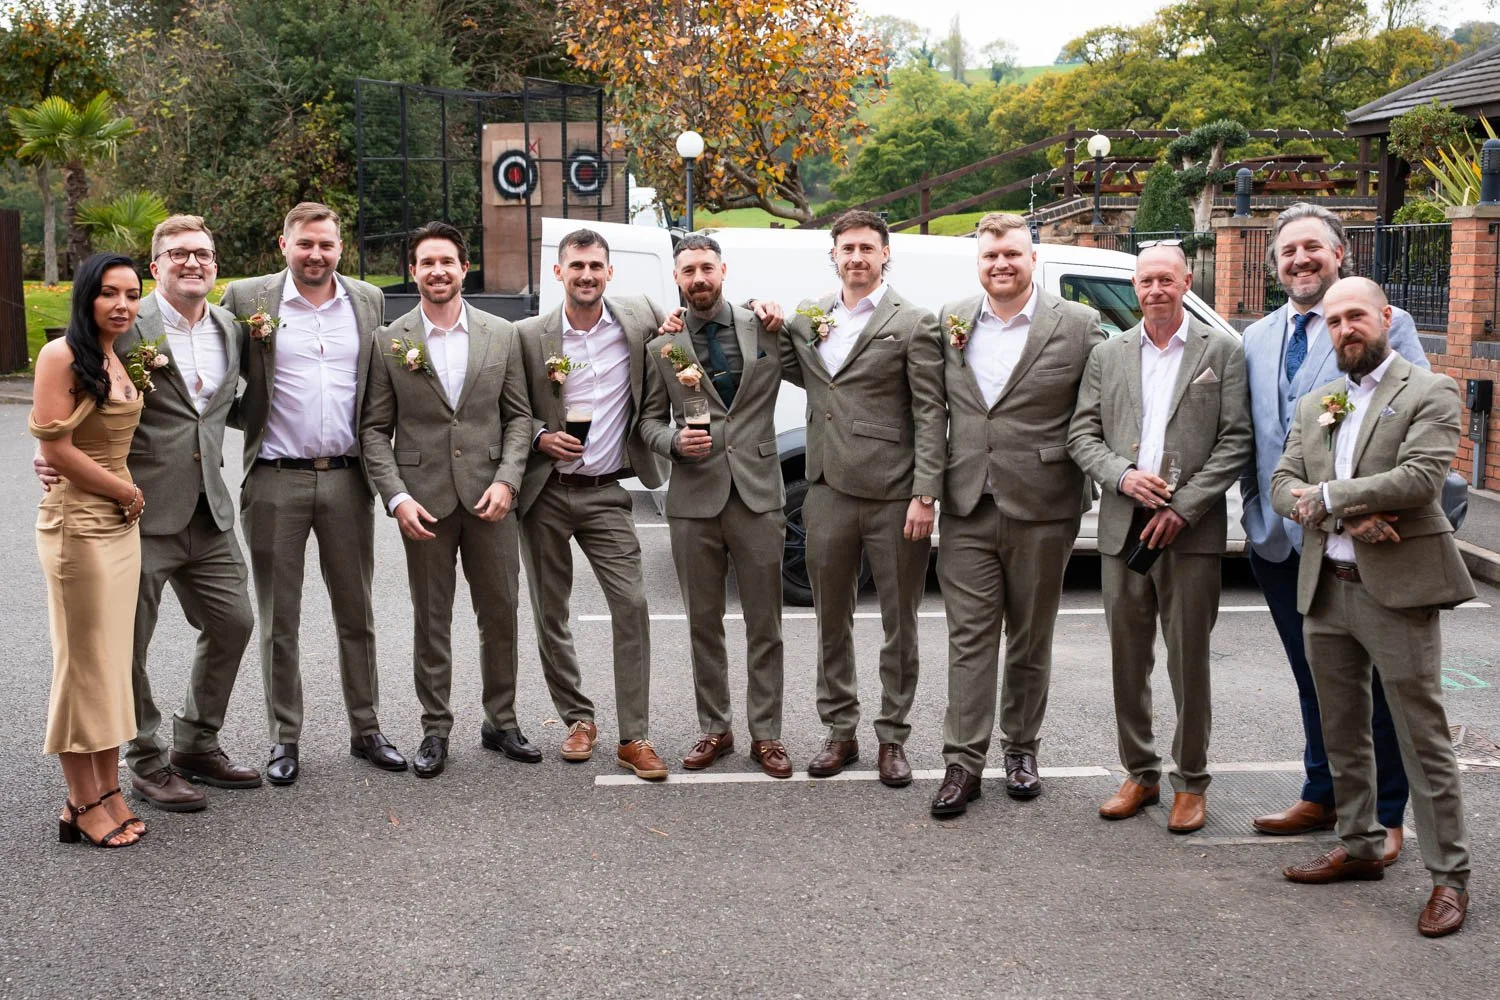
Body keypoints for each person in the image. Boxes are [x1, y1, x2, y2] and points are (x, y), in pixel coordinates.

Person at [1273, 276, 1475, 938]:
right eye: (1332, 322)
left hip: (1397, 593)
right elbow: (1281, 483)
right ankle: (1360, 846)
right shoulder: (1318, 400)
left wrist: (1329, 500)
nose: (1344, 330)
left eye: (1355, 316)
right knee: (1342, 731)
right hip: (1326, 587)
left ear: (1385, 317)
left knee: (1421, 738)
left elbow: (1420, 478)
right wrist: (1347, 515)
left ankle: (1450, 878)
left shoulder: (1429, 390)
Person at [1240, 202, 1428, 857]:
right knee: (1316, 678)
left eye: (1312, 248)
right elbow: (1256, 438)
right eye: (1288, 251)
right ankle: (1323, 794)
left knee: (1375, 685)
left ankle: (1387, 811)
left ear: (1339, 254)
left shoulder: (1383, 324)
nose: (1300, 260)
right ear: (1274, 265)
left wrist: (1357, 507)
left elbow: (1409, 421)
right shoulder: (1256, 338)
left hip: (1357, 541)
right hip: (1277, 541)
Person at [1068, 244, 1252, 833]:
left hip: (1189, 533)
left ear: (1186, 282)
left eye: (1166, 279)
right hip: (1125, 528)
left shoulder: (1220, 351)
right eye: (1146, 280)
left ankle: (1191, 782)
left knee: (1188, 660)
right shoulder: (1108, 353)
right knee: (1128, 658)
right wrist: (1121, 475)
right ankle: (1140, 772)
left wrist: (1188, 506)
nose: (1155, 290)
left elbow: (1237, 440)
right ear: (1135, 284)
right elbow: (1082, 434)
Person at [929, 212, 1105, 817]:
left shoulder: (1079, 325)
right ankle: (962, 762)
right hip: (968, 501)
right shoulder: (952, 320)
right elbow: (933, 412)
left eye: (1011, 254)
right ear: (978, 264)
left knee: (1030, 637)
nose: (1000, 265)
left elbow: (1104, 406)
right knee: (969, 637)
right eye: (989, 257)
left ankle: (1022, 749)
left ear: (1034, 259)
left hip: (1044, 502)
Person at [221, 202, 404, 783]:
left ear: (340, 247)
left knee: (358, 611)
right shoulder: (248, 300)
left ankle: (367, 728)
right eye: (305, 244)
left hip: (350, 479)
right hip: (276, 477)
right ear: (284, 245)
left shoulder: (368, 301)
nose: (316, 255)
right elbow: (214, 378)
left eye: (326, 244)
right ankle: (284, 737)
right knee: (281, 618)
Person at [359, 222, 532, 778]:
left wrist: (508, 480)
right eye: (426, 262)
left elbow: (520, 417)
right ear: (414, 270)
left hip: (491, 498)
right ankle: (435, 728)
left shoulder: (500, 335)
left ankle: (500, 721)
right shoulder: (390, 340)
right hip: (424, 504)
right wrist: (396, 497)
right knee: (431, 618)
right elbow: (373, 429)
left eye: (447, 261)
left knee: (500, 612)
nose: (437, 270)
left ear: (463, 268)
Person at [780, 209, 945, 788]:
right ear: (834, 254)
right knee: (832, 619)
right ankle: (840, 731)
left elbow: (930, 410)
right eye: (846, 248)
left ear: (884, 255)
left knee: (900, 622)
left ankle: (893, 736)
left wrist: (926, 493)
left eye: (866, 248)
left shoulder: (914, 321)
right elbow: (782, 360)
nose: (856, 257)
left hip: (894, 494)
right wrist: (765, 316)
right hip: (825, 490)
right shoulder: (809, 314)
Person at [513, 229, 668, 771]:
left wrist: (759, 307)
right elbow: (507, 407)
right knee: (550, 612)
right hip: (546, 493)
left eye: (596, 265)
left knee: (632, 606)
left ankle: (635, 736)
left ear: (609, 272)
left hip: (606, 492)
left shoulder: (639, 318)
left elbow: (691, 324)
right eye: (576, 265)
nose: (586, 274)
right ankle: (578, 718)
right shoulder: (529, 335)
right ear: (558, 273)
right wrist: (537, 436)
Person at [639, 234, 791, 779]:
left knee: (765, 623)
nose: (698, 278)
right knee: (703, 622)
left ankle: (767, 734)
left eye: (706, 268)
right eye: (688, 271)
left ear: (723, 270)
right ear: (677, 280)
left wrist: (781, 309)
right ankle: (715, 728)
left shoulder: (766, 327)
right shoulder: (663, 346)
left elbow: (825, 371)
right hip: (693, 499)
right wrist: (672, 443)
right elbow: (648, 422)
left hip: (757, 494)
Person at [30, 253, 148, 848]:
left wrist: (123, 498)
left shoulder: (113, 356)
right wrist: (125, 490)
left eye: (131, 293)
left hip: (118, 527)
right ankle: (80, 801)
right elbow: (56, 450)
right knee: (81, 667)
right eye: (109, 293)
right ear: (86, 297)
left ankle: (109, 788)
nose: (122, 304)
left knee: (107, 664)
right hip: (78, 526)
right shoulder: (61, 355)